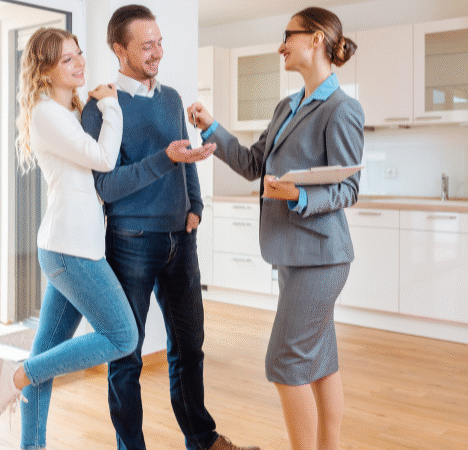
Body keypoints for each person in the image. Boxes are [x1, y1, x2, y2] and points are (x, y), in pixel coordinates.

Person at [80, 5, 258, 450]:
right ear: (119, 49)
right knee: (126, 354)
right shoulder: (102, 107)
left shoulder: (173, 98)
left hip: (182, 238)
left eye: (159, 41)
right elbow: (105, 185)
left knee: (189, 346)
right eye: (146, 45)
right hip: (131, 241)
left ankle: (202, 439)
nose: (157, 51)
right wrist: (167, 160)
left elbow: (187, 159)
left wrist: (194, 205)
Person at [187, 7, 363, 450]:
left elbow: (349, 189)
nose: (281, 45)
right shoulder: (287, 106)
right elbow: (253, 164)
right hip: (293, 255)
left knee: (285, 362)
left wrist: (300, 197)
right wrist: (212, 127)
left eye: (289, 35)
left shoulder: (342, 109)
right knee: (318, 360)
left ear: (318, 38)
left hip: (322, 256)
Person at [0, 27, 139, 450]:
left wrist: (93, 105)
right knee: (123, 336)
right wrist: (111, 105)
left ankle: (30, 442)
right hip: (71, 250)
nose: (80, 64)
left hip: (72, 246)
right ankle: (17, 375)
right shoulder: (46, 114)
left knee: (46, 355)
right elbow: (104, 158)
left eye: (79, 54)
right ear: (45, 70)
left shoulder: (63, 111)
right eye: (67, 59)